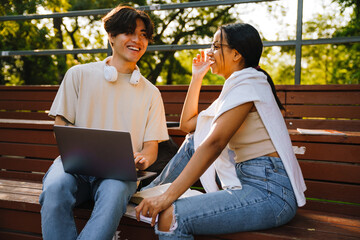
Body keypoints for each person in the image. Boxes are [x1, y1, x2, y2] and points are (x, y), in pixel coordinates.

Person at [135, 23, 306, 239]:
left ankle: (149, 195)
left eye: (216, 46)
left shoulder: (247, 85)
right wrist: (197, 77)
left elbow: (214, 143)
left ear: (235, 54)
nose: (209, 52)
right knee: (192, 139)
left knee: (172, 216)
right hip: (252, 183)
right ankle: (145, 195)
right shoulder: (239, 86)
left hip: (269, 192)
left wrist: (167, 197)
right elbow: (188, 125)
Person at [39, 5, 169, 240]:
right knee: (55, 188)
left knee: (113, 192)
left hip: (118, 174)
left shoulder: (151, 93)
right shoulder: (78, 74)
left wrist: (142, 159)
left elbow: (151, 148)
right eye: (129, 32)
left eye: (143, 35)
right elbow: (60, 126)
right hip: (75, 167)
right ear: (111, 35)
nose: (137, 40)